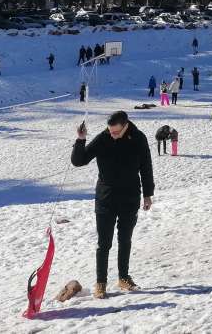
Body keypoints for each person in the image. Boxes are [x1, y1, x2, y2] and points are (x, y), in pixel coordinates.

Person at [71, 110, 154, 299]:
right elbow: (79, 161)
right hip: (105, 198)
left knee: (125, 240)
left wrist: (148, 194)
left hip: (130, 196)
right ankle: (101, 283)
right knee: (104, 243)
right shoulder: (103, 138)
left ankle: (123, 278)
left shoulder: (139, 138)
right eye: (110, 131)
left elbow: (146, 166)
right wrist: (80, 140)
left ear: (125, 126)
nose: (112, 134)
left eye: (116, 132)